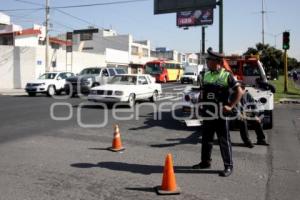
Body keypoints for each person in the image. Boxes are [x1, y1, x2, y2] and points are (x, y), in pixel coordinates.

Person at [192, 48, 243, 177]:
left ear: (217, 61)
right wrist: (199, 105)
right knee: (206, 139)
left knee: (223, 140)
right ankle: (205, 162)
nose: (207, 62)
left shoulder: (227, 75)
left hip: (221, 114)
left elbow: (239, 92)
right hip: (208, 113)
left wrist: (230, 106)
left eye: (209, 60)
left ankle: (228, 166)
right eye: (207, 60)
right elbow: (203, 92)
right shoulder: (205, 75)